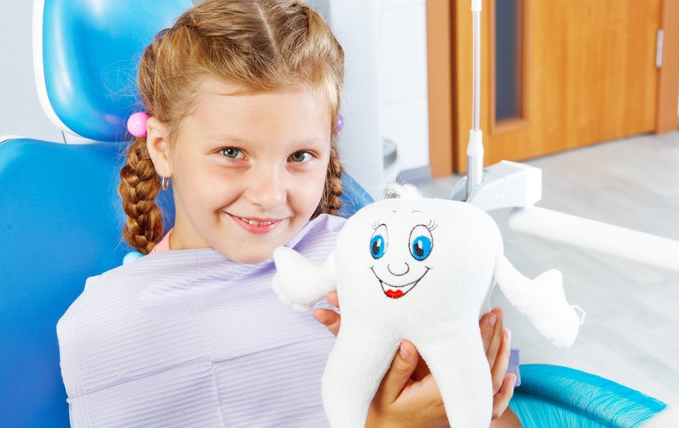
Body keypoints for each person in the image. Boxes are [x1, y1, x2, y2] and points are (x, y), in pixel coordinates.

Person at [57, 0, 520, 426]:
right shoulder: (110, 328)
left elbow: (505, 417)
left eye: (299, 156)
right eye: (232, 152)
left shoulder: (377, 264)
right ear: (162, 148)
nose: (268, 195)